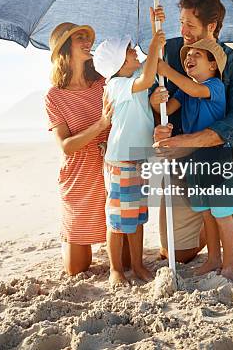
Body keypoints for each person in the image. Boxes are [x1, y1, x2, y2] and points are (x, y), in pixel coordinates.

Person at [150, 0, 233, 264]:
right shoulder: (167, 52)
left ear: (212, 26)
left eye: (190, 25)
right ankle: (207, 230)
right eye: (180, 22)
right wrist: (157, 119)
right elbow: (156, 108)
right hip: (184, 171)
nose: (183, 30)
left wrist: (186, 141)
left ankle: (220, 222)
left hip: (223, 164)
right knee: (178, 255)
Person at [45, 22, 131, 275]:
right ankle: (68, 235)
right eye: (79, 38)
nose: (87, 42)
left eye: (87, 37)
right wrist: (102, 124)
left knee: (125, 263)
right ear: (64, 49)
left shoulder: (104, 83)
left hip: (112, 171)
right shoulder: (54, 96)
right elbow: (66, 146)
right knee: (76, 269)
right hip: (79, 177)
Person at [156, 39, 233, 279]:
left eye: (196, 55)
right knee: (206, 213)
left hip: (216, 158)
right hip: (194, 161)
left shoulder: (215, 86)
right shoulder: (184, 90)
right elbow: (168, 109)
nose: (188, 58)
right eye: (186, 55)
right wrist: (159, 98)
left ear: (213, 65)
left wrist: (168, 71)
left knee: (222, 214)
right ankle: (213, 258)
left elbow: (195, 90)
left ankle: (230, 263)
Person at [93, 18, 165, 286]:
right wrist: (154, 45)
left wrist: (155, 99)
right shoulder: (116, 85)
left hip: (139, 157)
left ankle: (137, 264)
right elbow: (147, 77)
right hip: (122, 159)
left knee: (136, 216)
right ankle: (116, 269)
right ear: (119, 64)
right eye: (130, 50)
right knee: (118, 219)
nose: (135, 50)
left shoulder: (134, 80)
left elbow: (149, 83)